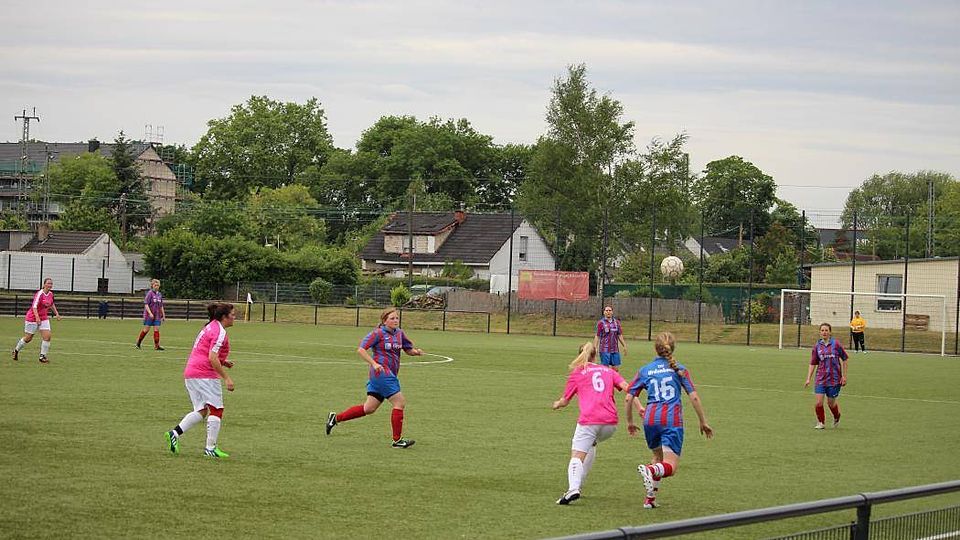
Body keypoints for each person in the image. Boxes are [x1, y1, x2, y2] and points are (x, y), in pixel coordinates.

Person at [626, 332, 713, 509]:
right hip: (671, 420)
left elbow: (629, 397)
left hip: (650, 420)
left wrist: (629, 422)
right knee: (670, 467)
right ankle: (650, 470)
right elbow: (694, 397)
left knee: (657, 457)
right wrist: (703, 422)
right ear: (673, 348)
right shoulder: (679, 369)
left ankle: (650, 499)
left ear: (655, 348)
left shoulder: (645, 370)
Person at [326, 307, 423, 448]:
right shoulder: (378, 333)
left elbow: (408, 349)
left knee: (369, 408)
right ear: (384, 321)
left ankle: (335, 418)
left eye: (397, 318)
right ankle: (397, 440)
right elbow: (361, 350)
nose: (396, 320)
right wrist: (374, 363)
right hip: (381, 374)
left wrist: (416, 352)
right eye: (392, 318)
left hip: (388, 374)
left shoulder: (399, 333)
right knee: (399, 402)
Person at [552, 341, 629, 505]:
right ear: (596, 356)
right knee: (591, 444)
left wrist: (557, 404)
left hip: (590, 420)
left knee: (576, 455)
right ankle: (579, 484)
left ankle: (573, 488)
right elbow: (627, 388)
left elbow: (565, 401)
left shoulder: (577, 373)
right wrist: (640, 406)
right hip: (610, 424)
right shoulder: (608, 370)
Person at [164, 303, 237, 458]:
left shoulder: (210, 326)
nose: (234, 317)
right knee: (217, 410)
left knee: (202, 410)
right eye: (232, 314)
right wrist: (226, 378)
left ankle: (174, 434)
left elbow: (205, 350)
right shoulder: (219, 331)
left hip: (192, 372)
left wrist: (223, 362)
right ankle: (210, 448)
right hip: (204, 374)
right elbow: (212, 357)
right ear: (224, 317)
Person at [804, 322, 848, 429]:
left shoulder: (836, 344)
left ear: (830, 332)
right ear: (820, 332)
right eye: (822, 330)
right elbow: (813, 363)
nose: (824, 332)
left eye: (826, 330)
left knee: (831, 403)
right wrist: (808, 378)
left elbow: (845, 359)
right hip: (820, 379)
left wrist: (844, 376)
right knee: (819, 403)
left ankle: (837, 416)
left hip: (834, 379)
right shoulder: (817, 346)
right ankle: (821, 422)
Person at [12, 277, 62, 364]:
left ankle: (42, 356)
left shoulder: (51, 294)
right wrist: (37, 318)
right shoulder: (40, 294)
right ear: (44, 284)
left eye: (51, 283)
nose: (50, 285)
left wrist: (57, 314)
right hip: (32, 317)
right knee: (28, 338)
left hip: (44, 318)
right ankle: (16, 350)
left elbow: (51, 304)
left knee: (47, 336)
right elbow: (34, 307)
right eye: (48, 283)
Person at [594, 305, 627, 372]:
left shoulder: (617, 322)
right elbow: (597, 336)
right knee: (605, 370)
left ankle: (613, 379)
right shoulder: (601, 323)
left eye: (610, 310)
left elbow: (619, 335)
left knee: (616, 370)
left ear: (612, 312)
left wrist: (624, 345)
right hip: (604, 350)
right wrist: (595, 348)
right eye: (606, 310)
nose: (608, 312)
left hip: (615, 350)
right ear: (604, 312)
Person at [137, 279, 166, 350]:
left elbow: (161, 305)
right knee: (146, 329)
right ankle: (138, 343)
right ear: (152, 285)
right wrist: (150, 313)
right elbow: (146, 304)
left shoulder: (159, 294)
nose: (156, 287)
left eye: (158, 285)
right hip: (149, 315)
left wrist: (163, 314)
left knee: (156, 329)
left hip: (157, 315)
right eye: (155, 285)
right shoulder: (150, 293)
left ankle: (157, 346)